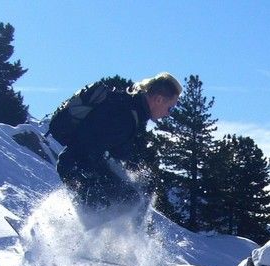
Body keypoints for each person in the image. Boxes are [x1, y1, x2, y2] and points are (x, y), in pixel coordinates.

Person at [56, 72, 182, 219]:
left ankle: (86, 233)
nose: (168, 114)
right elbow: (89, 146)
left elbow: (115, 149)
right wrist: (91, 182)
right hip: (77, 167)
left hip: (78, 165)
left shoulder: (134, 112)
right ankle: (79, 236)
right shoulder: (125, 114)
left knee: (131, 200)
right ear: (159, 99)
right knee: (124, 203)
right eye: (170, 108)